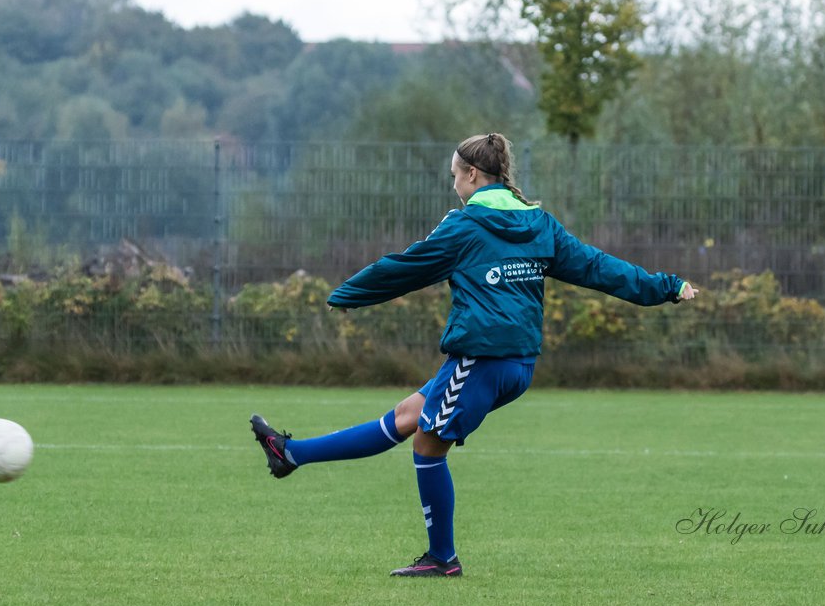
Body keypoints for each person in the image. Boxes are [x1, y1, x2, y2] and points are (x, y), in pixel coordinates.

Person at [249, 132, 697, 577]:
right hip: (517, 364)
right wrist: (666, 286)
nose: (454, 185)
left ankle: (442, 558)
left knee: (426, 443)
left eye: (454, 176)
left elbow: (408, 266)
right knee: (409, 416)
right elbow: (600, 268)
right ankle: (290, 454)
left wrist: (349, 293)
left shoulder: (465, 226)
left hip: (482, 360)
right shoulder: (539, 224)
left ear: (473, 174)